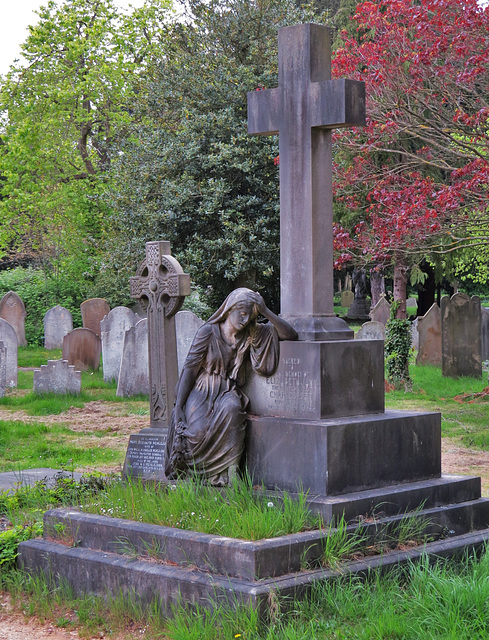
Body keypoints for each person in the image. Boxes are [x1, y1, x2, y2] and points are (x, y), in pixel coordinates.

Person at [164, 288, 297, 486]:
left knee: (233, 409)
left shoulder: (251, 333)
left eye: (250, 315)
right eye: (242, 314)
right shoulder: (208, 332)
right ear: (228, 310)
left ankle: (226, 474)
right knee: (197, 431)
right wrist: (179, 406)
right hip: (203, 389)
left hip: (227, 391)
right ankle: (195, 473)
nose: (245, 320)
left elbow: (290, 334)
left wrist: (265, 311)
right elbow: (189, 370)